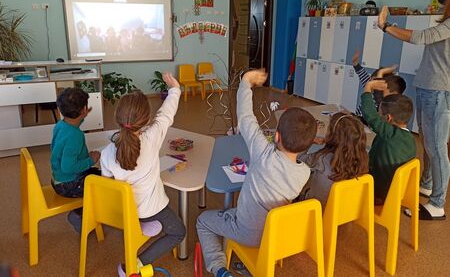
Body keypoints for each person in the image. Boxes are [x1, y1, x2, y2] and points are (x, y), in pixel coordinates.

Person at [196, 69, 317, 277]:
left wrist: (245, 82)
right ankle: (251, 265)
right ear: (307, 145)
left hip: (247, 232)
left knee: (203, 221)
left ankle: (219, 268)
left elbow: (245, 117)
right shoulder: (305, 172)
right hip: (276, 235)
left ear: (276, 136)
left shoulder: (263, 153)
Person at [377, 0, 450, 219]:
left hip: (439, 91)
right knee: (428, 142)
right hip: (431, 87)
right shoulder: (445, 20)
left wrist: (386, 26)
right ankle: (428, 184)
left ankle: (438, 203)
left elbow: (420, 37)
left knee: (437, 146)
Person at [100, 74, 186, 275]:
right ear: (146, 120)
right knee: (178, 232)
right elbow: (165, 116)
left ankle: (140, 225)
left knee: (147, 218)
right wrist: (175, 89)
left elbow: (108, 186)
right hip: (151, 209)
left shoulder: (106, 153)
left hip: (123, 212)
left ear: (117, 119)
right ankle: (136, 263)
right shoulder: (151, 138)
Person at [50, 87, 101, 232]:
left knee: (98, 174)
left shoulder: (61, 125)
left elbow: (74, 123)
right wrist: (91, 160)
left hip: (58, 179)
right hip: (69, 184)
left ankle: (83, 211)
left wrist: (83, 115)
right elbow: (68, 166)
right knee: (104, 184)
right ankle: (79, 214)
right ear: (84, 109)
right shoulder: (75, 136)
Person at [297, 112, 369, 209]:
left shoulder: (322, 158)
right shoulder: (362, 160)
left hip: (316, 211)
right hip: (342, 212)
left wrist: (309, 141)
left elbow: (298, 160)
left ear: (332, 135)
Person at [361, 80, 416, 205]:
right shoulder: (410, 139)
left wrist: (368, 87)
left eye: (379, 114)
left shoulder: (391, 135)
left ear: (388, 118)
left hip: (379, 192)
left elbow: (370, 116)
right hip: (395, 191)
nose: (378, 116)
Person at [352, 50, 406, 118]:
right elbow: (361, 73)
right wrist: (355, 63)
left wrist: (381, 72)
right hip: (357, 119)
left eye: (376, 81)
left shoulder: (383, 101)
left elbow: (378, 94)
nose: (372, 83)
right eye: (372, 80)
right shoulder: (369, 85)